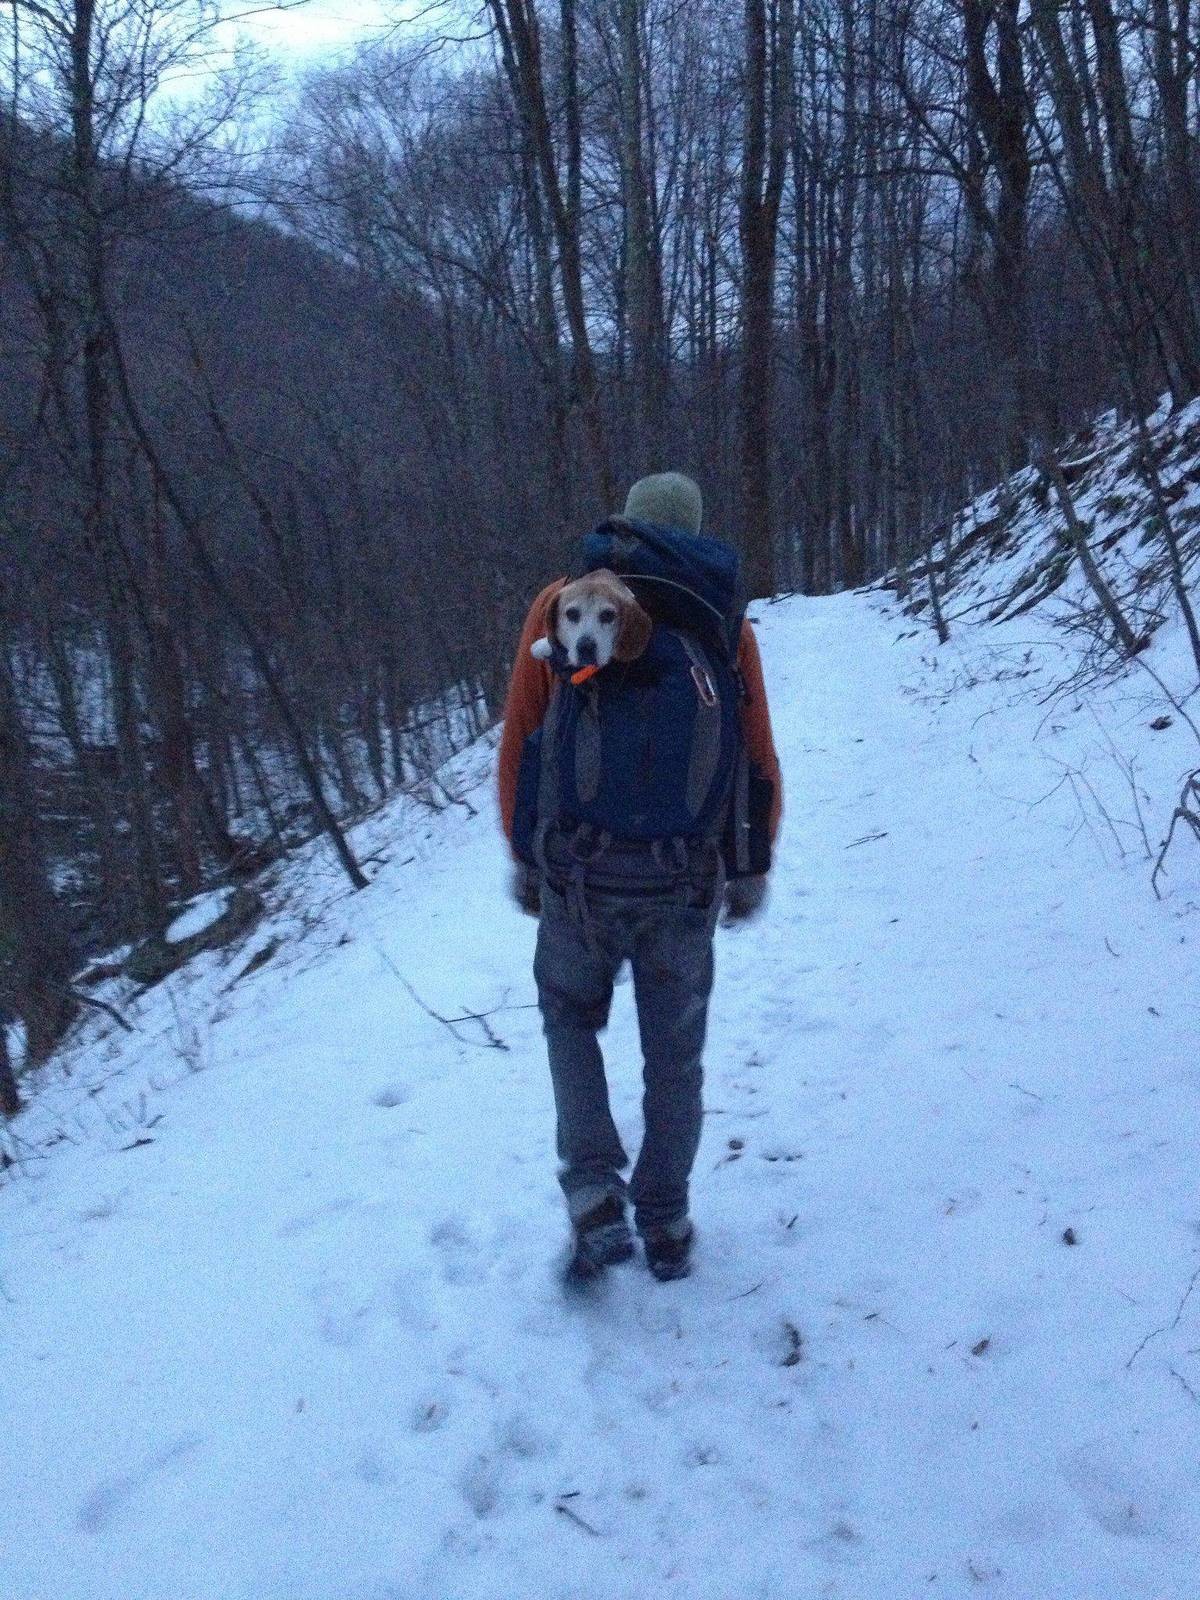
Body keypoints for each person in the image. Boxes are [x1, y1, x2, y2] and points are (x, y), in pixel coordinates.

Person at [497, 473, 783, 1280]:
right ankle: (665, 1221)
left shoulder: (561, 601)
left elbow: (523, 737)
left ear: (625, 520)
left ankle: (593, 1195)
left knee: (569, 1021)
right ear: (692, 529)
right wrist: (750, 863)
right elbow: (755, 749)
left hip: (578, 880)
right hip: (681, 882)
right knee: (675, 1057)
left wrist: (526, 855)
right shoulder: (723, 618)